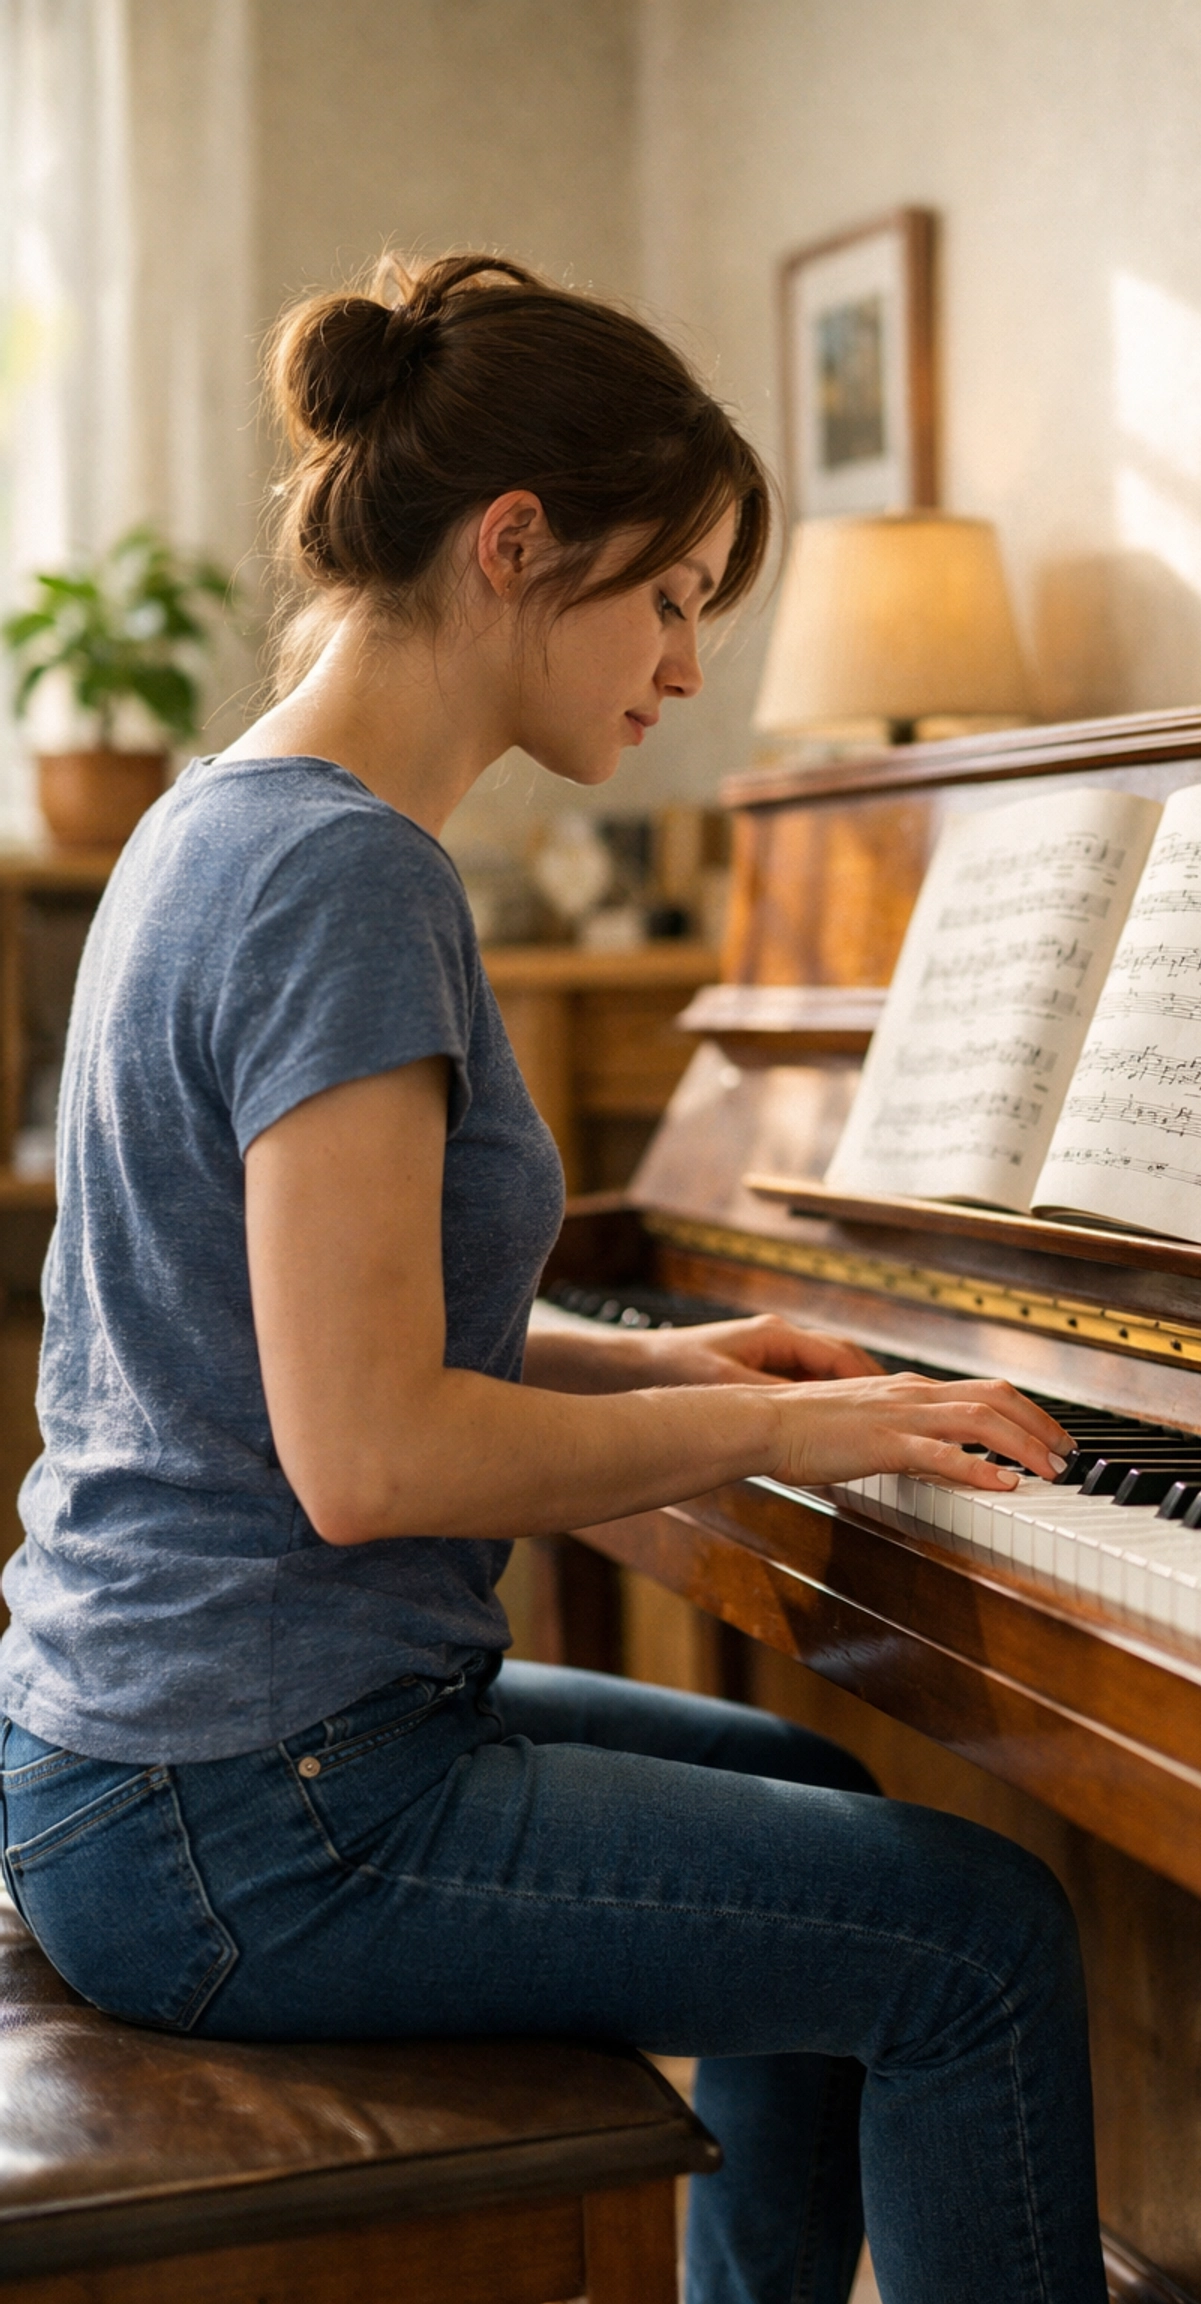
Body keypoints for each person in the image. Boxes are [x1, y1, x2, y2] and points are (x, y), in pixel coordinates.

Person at [0, 254, 1106, 2304]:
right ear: (518, 546)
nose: (687, 665)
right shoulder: (346, 876)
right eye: (672, 596)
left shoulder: (221, 819)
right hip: (248, 1817)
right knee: (976, 1939)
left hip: (154, 1752)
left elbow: (291, 1350)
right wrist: (796, 1420)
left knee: (818, 1784)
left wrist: (657, 1359)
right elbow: (367, 1455)